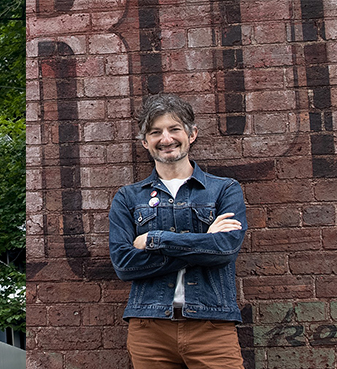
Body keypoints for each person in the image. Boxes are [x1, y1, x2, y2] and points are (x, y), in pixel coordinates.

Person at [108, 94, 246, 368]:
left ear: (192, 134)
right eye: (156, 132)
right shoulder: (127, 198)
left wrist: (154, 239)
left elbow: (227, 248)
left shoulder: (224, 190)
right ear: (145, 142)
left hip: (212, 325)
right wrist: (205, 241)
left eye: (174, 129)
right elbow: (124, 265)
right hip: (149, 328)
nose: (166, 139)